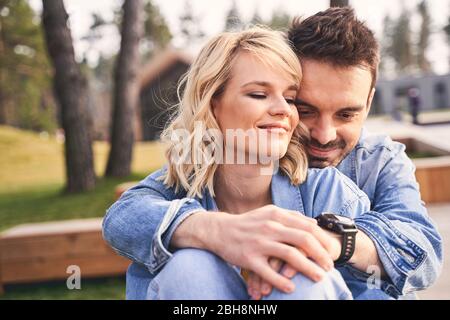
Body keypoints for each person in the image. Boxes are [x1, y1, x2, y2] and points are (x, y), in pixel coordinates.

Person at [103, 8, 442, 300]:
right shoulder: (204, 169)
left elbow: (422, 252)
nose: (323, 136)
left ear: (368, 103)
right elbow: (125, 216)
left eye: (346, 114)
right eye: (305, 107)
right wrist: (214, 230)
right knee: (190, 265)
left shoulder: (371, 164)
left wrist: (330, 241)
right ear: (214, 104)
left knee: (302, 272)